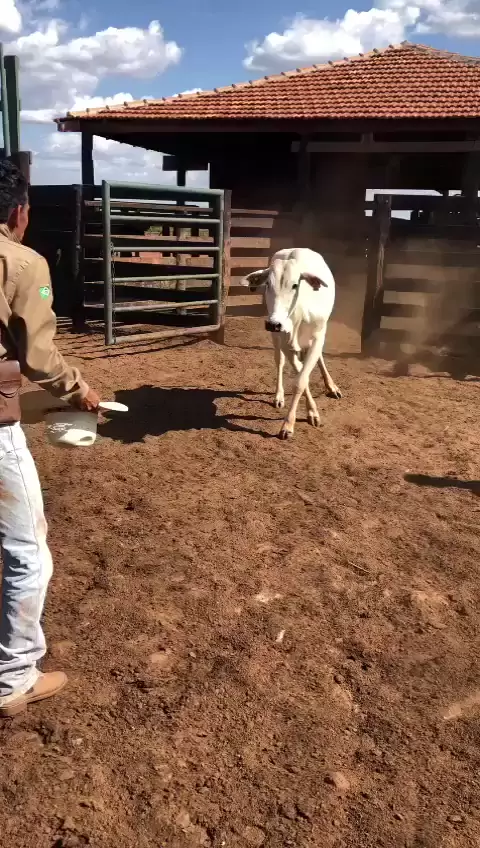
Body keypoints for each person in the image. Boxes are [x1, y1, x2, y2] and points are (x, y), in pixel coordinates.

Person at [0, 159, 100, 718]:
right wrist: (78, 389)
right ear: (19, 210)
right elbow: (38, 355)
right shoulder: (21, 262)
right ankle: (15, 675)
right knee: (28, 549)